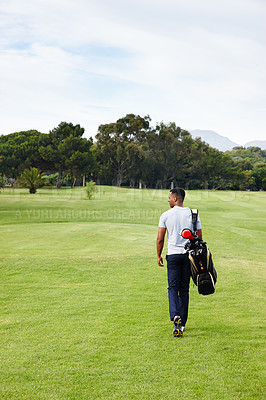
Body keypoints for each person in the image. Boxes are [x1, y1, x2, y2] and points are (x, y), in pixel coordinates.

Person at [156, 188, 202, 337]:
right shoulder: (193, 214)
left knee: (172, 288)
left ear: (176, 199)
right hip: (189, 256)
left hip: (173, 256)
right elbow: (199, 237)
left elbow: (160, 239)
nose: (168, 200)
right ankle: (181, 324)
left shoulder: (166, 215)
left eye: (169, 197)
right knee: (184, 289)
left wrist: (158, 255)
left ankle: (175, 315)